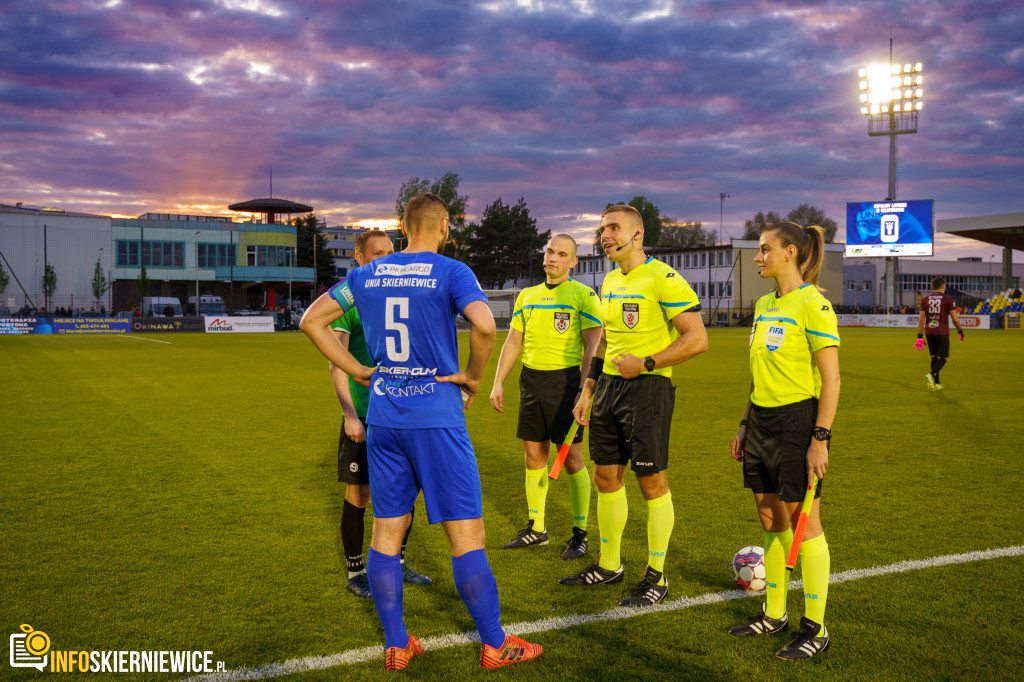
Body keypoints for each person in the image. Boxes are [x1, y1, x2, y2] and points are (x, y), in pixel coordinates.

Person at [300, 194, 542, 671]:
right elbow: (483, 325)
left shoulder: (368, 274)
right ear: (445, 225)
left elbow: (312, 321)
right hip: (436, 415)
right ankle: (496, 643)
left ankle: (397, 643)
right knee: (466, 531)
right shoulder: (451, 271)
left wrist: (357, 369)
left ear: (402, 225)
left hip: (385, 417)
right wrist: (473, 375)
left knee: (388, 529)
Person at [561, 204, 708, 607]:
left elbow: (696, 338)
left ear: (637, 234)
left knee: (651, 483)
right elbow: (605, 341)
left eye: (613, 228)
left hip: (648, 391)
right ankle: (610, 565)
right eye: (602, 228)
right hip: (608, 389)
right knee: (606, 478)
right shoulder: (608, 280)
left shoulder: (665, 278)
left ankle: (656, 577)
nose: (605, 235)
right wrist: (587, 390)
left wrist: (646, 363)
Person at [728, 221, 840, 660]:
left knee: (805, 523)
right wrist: (744, 422)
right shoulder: (763, 305)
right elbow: (759, 374)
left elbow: (830, 380)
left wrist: (820, 439)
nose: (758, 257)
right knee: (769, 516)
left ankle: (815, 628)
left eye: (764, 249)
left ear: (790, 252)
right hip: (760, 421)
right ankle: (774, 613)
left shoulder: (814, 304)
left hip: (798, 423)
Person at [330, 230, 431, 598]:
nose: (386, 260)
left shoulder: (399, 292)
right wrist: (350, 415)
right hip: (365, 412)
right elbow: (336, 365)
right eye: (377, 255)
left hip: (402, 413)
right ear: (358, 259)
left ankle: (399, 562)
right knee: (360, 494)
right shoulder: (349, 299)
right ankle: (356, 572)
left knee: (405, 492)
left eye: (390, 252)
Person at [490, 234, 602, 560]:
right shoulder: (527, 296)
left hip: (567, 384)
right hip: (531, 383)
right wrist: (498, 382)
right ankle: (537, 529)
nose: (553, 257)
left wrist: (585, 389)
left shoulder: (583, 296)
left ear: (573, 261)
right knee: (533, 456)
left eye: (561, 254)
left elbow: (594, 346)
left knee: (571, 459)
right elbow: (512, 341)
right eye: (550, 251)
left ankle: (580, 534)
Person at [915, 276, 964, 391]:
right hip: (942, 332)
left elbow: (921, 320)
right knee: (944, 357)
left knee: (934, 357)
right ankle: (931, 375)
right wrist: (960, 331)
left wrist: (919, 336)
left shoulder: (925, 300)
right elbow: (955, 319)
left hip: (929, 331)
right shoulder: (948, 299)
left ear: (932, 287)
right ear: (943, 286)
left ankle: (936, 384)